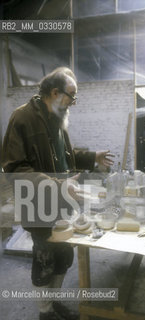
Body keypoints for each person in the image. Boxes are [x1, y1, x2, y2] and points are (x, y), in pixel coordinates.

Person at [2, 67, 114, 320]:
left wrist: (90, 157)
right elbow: (14, 168)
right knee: (44, 260)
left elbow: (66, 156)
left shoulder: (58, 116)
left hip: (64, 202)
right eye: (72, 96)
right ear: (54, 92)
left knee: (64, 256)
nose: (74, 102)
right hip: (38, 205)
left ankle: (54, 303)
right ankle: (45, 312)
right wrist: (56, 185)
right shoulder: (22, 118)